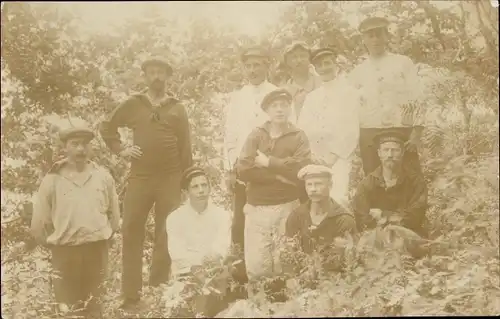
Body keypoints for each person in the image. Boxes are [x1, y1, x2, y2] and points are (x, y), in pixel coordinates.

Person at [99, 56, 193, 310]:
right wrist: (121, 149)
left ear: (168, 76)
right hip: (140, 176)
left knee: (167, 230)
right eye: (152, 72)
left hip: (171, 177)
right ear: (145, 76)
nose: (156, 77)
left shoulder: (177, 107)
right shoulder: (133, 104)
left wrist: (186, 183)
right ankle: (131, 295)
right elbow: (107, 127)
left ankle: (159, 288)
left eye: (161, 72)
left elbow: (186, 146)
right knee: (131, 229)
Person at [30, 118, 120, 319]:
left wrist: (100, 239)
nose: (81, 149)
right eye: (75, 144)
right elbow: (37, 226)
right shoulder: (52, 179)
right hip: (65, 255)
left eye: (85, 144)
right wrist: (58, 247)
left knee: (95, 310)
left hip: (97, 252)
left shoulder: (103, 177)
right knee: (67, 311)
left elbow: (114, 219)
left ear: (91, 147)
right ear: (65, 148)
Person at [236, 88, 311, 301]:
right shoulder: (256, 134)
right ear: (267, 110)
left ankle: (287, 308)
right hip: (257, 206)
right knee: (258, 264)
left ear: (290, 108)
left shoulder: (298, 136)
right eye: (274, 106)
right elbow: (244, 168)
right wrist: (279, 176)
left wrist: (269, 163)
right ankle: (259, 307)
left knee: (285, 261)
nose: (279, 109)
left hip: (288, 205)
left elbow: (302, 167)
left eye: (284, 105)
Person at [223, 47, 278, 289]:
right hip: (243, 169)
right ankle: (240, 276)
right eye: (249, 66)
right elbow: (230, 134)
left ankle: (273, 274)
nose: (253, 70)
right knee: (240, 220)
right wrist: (230, 167)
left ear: (267, 66)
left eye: (258, 64)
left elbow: (287, 131)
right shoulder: (238, 97)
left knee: (270, 218)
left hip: (269, 168)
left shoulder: (277, 94)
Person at [348, 17, 425, 176]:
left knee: (409, 176)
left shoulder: (403, 63)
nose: (375, 39)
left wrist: (417, 131)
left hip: (401, 128)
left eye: (379, 34)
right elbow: (351, 108)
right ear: (364, 40)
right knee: (374, 177)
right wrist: (354, 140)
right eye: (370, 36)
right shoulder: (357, 72)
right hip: (369, 131)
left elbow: (418, 96)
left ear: (386, 37)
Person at [298, 47, 360, 208]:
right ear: (316, 69)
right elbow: (302, 128)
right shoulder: (312, 97)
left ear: (336, 65)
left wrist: (334, 155)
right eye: (319, 65)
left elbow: (351, 128)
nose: (324, 68)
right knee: (316, 197)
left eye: (327, 63)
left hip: (339, 157)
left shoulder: (349, 93)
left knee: (337, 197)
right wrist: (311, 154)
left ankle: (340, 231)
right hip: (316, 156)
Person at [166, 166, 232, 317]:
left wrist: (208, 269)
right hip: (186, 275)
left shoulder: (222, 215)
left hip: (214, 274)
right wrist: (197, 268)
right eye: (195, 187)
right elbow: (177, 253)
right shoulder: (174, 218)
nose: (201, 190)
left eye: (204, 185)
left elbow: (222, 247)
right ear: (186, 192)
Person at [351, 129, 428, 237]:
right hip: (376, 237)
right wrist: (395, 219)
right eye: (386, 150)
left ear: (402, 153)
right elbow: (362, 218)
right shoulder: (367, 184)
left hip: (408, 236)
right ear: (379, 153)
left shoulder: (415, 182)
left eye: (395, 150)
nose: (390, 155)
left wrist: (383, 215)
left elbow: (415, 217)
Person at [285, 165, 356, 278]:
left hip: (334, 280)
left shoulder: (343, 219)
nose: (313, 189)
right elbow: (289, 254)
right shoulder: (296, 216)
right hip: (302, 277)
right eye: (309, 184)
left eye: (318, 184)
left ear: (330, 185)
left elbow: (345, 260)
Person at [281, 41, 322, 122]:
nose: (299, 60)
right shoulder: (283, 92)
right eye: (294, 57)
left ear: (310, 59)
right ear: (287, 62)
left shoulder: (321, 84)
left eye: (303, 56)